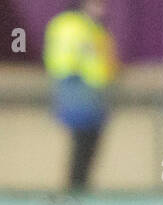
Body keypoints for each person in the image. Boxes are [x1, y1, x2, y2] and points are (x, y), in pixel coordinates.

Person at [43, 0, 118, 191]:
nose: (101, 9)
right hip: (78, 89)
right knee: (81, 144)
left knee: (91, 145)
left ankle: (81, 187)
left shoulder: (94, 27)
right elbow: (64, 60)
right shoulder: (71, 25)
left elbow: (104, 60)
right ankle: (75, 190)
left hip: (95, 92)